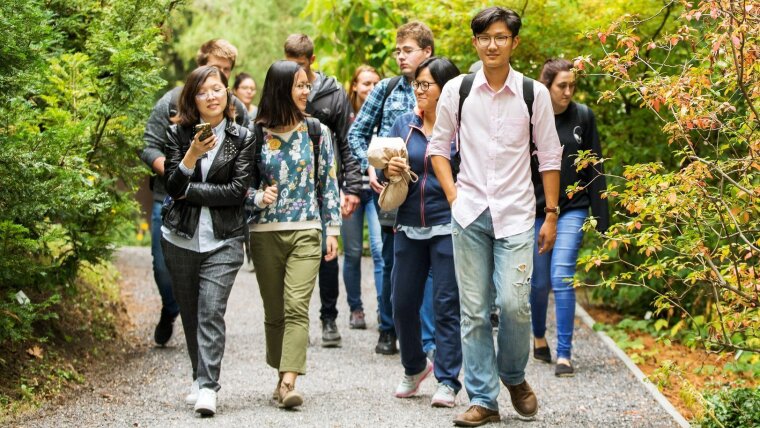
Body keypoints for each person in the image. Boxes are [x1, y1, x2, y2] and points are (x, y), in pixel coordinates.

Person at [429, 7, 563, 426]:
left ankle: (514, 376)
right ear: (475, 43)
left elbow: (550, 156)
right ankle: (484, 400)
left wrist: (552, 214)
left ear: (514, 43)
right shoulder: (457, 89)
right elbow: (438, 148)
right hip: (469, 213)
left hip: (518, 214)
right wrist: (454, 197)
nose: (492, 44)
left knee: (513, 304)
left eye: (501, 37)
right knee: (473, 310)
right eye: (485, 37)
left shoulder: (533, 94)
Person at [141, 39, 249, 346]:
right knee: (164, 269)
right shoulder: (171, 101)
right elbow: (148, 146)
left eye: (227, 72)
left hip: (218, 202)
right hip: (171, 197)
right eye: (216, 69)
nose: (223, 78)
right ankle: (171, 308)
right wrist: (178, 173)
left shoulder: (234, 107)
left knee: (210, 286)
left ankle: (202, 332)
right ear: (199, 64)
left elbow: (250, 148)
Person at [161, 65, 253, 416]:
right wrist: (192, 155)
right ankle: (199, 377)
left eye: (217, 89)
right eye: (203, 91)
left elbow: (235, 192)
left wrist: (188, 192)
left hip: (224, 237)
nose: (211, 96)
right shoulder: (177, 135)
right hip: (180, 236)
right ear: (192, 99)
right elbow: (171, 185)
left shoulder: (242, 137)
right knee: (190, 312)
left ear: (227, 93)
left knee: (211, 310)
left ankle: (209, 387)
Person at [248, 60, 341, 408]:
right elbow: (241, 187)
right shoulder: (254, 134)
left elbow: (327, 183)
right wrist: (257, 197)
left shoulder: (317, 131)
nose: (307, 92)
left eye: (308, 86)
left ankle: (289, 382)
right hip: (264, 231)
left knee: (296, 306)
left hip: (306, 228)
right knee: (274, 312)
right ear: (281, 88)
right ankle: (280, 374)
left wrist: (331, 229)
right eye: (300, 86)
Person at [348, 21, 435, 355]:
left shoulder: (448, 88)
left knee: (430, 265)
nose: (401, 56)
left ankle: (429, 337)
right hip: (392, 190)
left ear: (427, 52)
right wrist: (370, 164)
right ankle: (388, 329)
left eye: (408, 50)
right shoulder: (386, 89)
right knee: (389, 261)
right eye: (398, 51)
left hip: (432, 192)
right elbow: (357, 134)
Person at [383, 57, 463, 408]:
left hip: (448, 224)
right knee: (401, 303)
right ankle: (415, 366)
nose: (419, 90)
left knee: (446, 305)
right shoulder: (404, 123)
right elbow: (386, 170)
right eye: (417, 84)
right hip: (408, 225)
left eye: (426, 84)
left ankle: (447, 379)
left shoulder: (462, 128)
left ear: (445, 90)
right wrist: (390, 169)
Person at [530, 58, 609, 377]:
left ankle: (564, 354)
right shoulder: (531, 115)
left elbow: (596, 166)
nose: (568, 91)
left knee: (562, 278)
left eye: (572, 85)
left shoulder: (583, 116)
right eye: (562, 85)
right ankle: (538, 338)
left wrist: (603, 220)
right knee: (537, 283)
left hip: (573, 209)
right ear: (546, 86)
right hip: (535, 209)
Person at [284, 34, 362, 347]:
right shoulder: (280, 87)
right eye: (291, 66)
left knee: (327, 253)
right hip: (290, 185)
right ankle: (292, 322)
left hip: (326, 182)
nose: (297, 74)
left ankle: (329, 318)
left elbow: (347, 140)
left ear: (312, 61)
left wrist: (352, 186)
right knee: (290, 254)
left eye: (301, 66)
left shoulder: (332, 94)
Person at [341, 65, 382, 329]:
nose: (371, 87)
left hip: (379, 191)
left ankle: (383, 308)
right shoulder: (345, 116)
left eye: (375, 83)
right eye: (366, 83)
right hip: (350, 191)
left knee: (379, 250)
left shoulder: (383, 113)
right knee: (354, 252)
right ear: (354, 85)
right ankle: (356, 308)